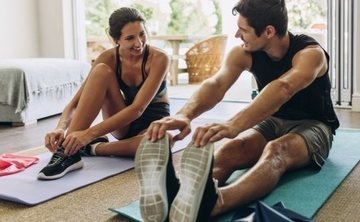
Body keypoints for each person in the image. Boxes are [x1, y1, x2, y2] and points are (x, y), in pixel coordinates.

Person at [136, 0, 340, 221]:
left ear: (269, 31)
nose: (236, 35)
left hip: (314, 125)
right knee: (234, 147)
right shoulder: (244, 52)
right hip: (273, 120)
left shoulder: (310, 54)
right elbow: (216, 85)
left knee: (277, 151)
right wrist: (184, 114)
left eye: (243, 30)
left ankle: (214, 203)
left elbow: (284, 88)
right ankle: (180, 195)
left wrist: (234, 124)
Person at [37, 7, 170, 180]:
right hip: (122, 123)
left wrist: (88, 135)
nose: (139, 43)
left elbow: (138, 109)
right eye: (130, 38)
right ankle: (68, 152)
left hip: (152, 123)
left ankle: (91, 148)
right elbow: (76, 102)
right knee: (100, 71)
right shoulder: (108, 58)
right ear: (116, 40)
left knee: (160, 143)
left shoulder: (159, 58)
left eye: (142, 34)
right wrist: (60, 127)